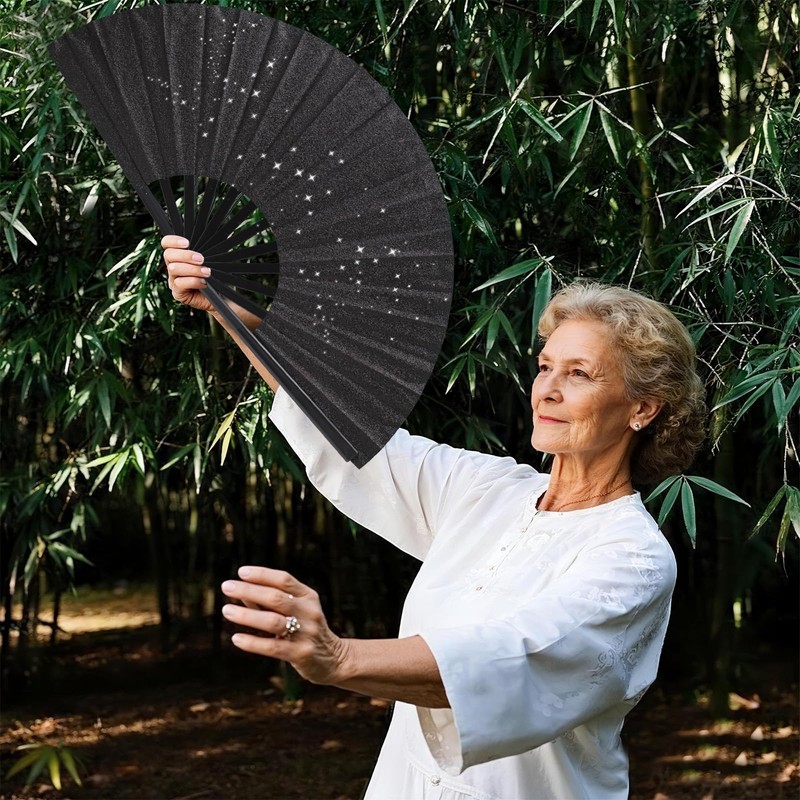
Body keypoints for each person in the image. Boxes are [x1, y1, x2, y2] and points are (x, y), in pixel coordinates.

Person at [162, 235, 707, 799]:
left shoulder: (633, 558)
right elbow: (354, 438)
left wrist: (341, 656)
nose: (546, 390)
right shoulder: (488, 491)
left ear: (642, 408)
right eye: (545, 367)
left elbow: (513, 658)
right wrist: (235, 311)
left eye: (579, 374)